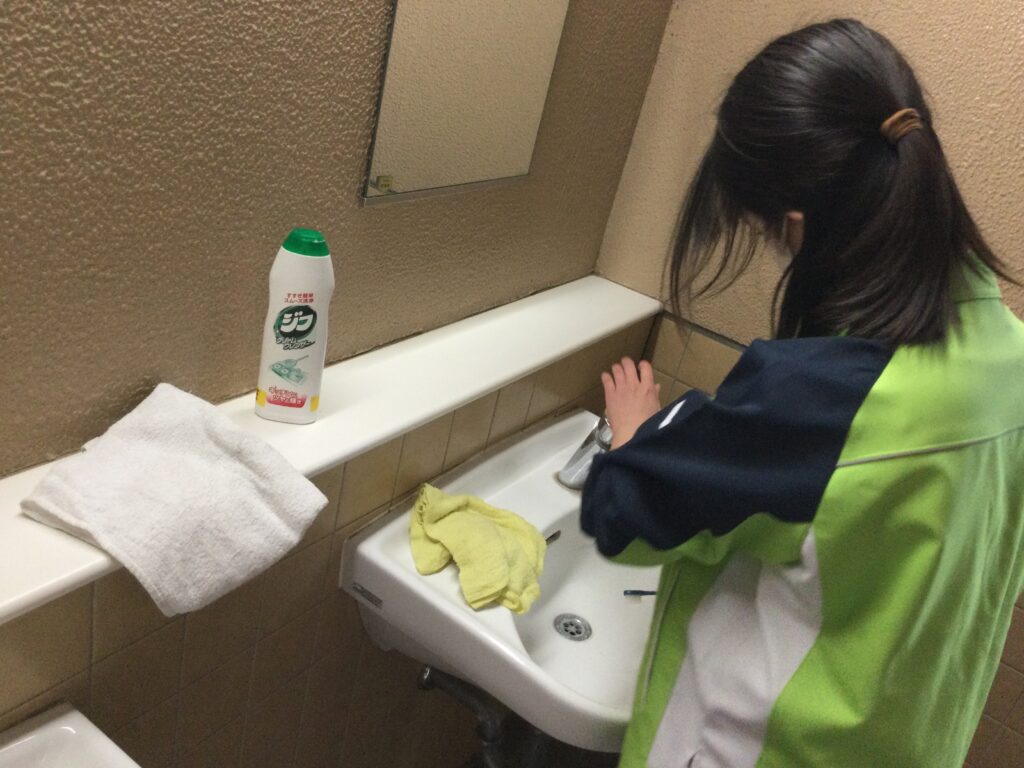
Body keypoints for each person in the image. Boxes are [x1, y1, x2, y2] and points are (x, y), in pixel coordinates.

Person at [581, 18, 1024, 768]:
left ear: (796, 223)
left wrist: (638, 433)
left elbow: (623, 519)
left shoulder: (823, 399)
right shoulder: (1008, 357)